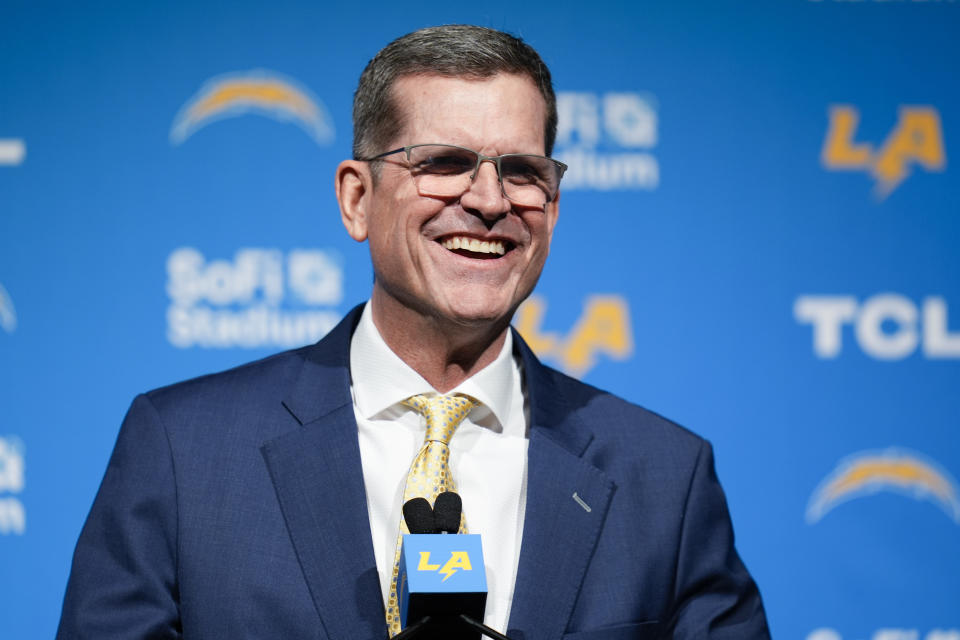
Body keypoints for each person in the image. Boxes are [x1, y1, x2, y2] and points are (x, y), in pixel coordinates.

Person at [57, 25, 770, 640]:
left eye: (521, 171)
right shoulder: (186, 452)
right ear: (357, 198)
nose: (489, 201)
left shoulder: (664, 478)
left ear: (552, 206)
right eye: (444, 163)